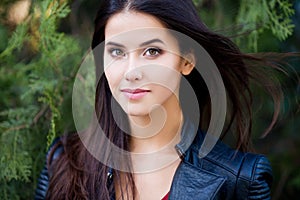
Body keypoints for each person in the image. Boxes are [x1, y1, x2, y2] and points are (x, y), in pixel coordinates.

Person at [35, 0, 285, 199]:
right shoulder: (64, 161)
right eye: (116, 52)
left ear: (187, 59)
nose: (131, 72)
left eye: (152, 51)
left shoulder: (240, 180)